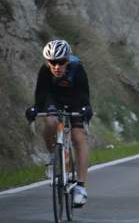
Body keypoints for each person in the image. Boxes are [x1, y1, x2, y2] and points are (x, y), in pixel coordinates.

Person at [25, 40, 92, 207]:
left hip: (75, 100)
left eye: (61, 62)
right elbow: (40, 96)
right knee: (50, 121)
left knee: (78, 136)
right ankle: (53, 156)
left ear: (68, 59)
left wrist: (85, 109)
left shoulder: (78, 68)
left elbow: (84, 95)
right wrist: (34, 110)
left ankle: (81, 187)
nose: (56, 66)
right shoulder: (45, 71)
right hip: (55, 100)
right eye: (52, 62)